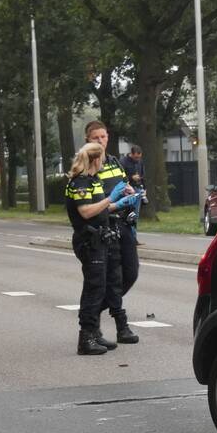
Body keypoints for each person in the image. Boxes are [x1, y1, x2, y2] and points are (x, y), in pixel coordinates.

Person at [65, 143, 142, 355]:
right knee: (94, 288)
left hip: (101, 239)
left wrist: (121, 202)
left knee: (106, 285)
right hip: (89, 241)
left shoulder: (93, 180)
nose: (104, 163)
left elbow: (102, 209)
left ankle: (95, 334)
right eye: (101, 160)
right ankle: (86, 338)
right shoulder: (80, 182)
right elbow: (87, 212)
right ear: (94, 160)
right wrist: (111, 197)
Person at [85, 121, 141, 345]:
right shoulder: (87, 167)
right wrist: (116, 203)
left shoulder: (115, 162)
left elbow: (124, 184)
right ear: (88, 141)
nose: (101, 141)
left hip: (123, 225)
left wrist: (131, 191)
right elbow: (92, 204)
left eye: (103, 137)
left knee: (131, 273)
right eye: (95, 138)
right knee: (110, 278)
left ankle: (93, 312)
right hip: (103, 227)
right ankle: (118, 324)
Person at [119, 144, 145, 245]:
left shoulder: (140, 162)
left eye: (139, 157)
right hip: (127, 190)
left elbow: (143, 175)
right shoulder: (123, 162)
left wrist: (144, 188)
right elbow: (121, 177)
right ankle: (128, 238)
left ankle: (133, 238)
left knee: (135, 215)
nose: (137, 159)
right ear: (131, 154)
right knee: (127, 214)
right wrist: (131, 178)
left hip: (138, 189)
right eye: (135, 157)